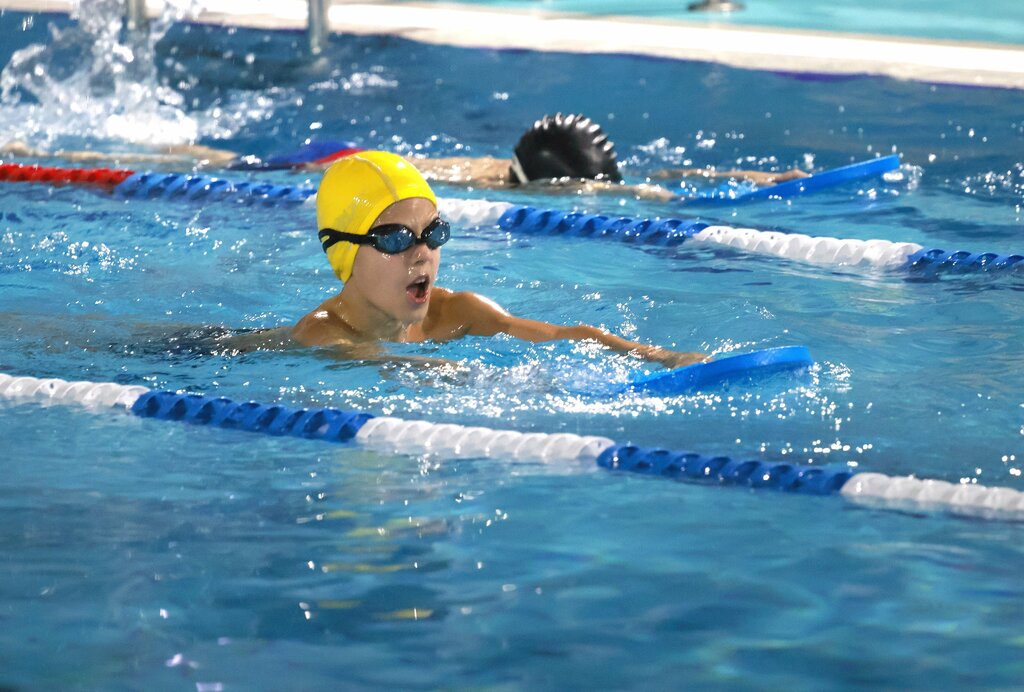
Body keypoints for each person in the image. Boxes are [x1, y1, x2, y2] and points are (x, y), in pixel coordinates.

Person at [280, 149, 707, 368]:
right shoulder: (322, 334)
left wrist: (662, 356)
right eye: (395, 239)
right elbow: (381, 363)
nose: (422, 253)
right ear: (343, 251)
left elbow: (567, 334)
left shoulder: (457, 312)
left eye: (434, 233)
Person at [0, 113, 806, 201]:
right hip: (328, 162)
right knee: (218, 165)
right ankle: (37, 149)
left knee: (215, 151)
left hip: (354, 151)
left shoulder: (518, 173)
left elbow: (647, 184)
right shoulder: (492, 183)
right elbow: (634, 197)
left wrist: (744, 180)